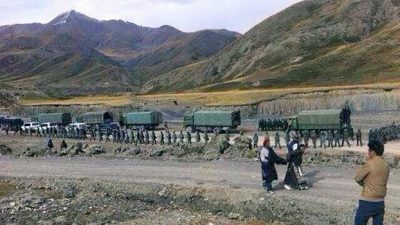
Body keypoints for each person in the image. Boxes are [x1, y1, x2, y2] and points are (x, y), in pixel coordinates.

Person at [354, 140, 389, 225]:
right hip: (380, 202)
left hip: (367, 201)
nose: (368, 153)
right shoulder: (386, 165)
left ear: (373, 152)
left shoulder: (370, 163)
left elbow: (358, 178)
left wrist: (365, 184)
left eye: (369, 151)